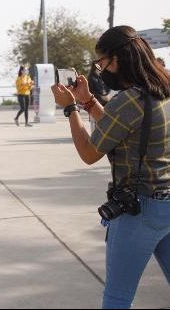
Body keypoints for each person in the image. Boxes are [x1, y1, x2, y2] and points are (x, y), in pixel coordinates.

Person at [51, 25, 170, 309]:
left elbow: (89, 153)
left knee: (118, 297)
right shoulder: (163, 90)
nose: (101, 69)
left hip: (139, 210)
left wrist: (70, 109)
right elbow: (122, 128)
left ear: (117, 59)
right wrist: (88, 101)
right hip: (166, 203)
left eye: (101, 62)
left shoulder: (129, 100)